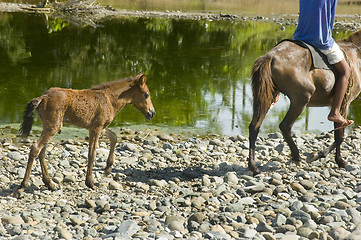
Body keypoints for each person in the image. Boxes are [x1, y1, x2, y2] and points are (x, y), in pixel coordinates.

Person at [292, 0, 353, 128]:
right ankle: (335, 112)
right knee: (345, 71)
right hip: (320, 40)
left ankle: (276, 94)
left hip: (299, 37)